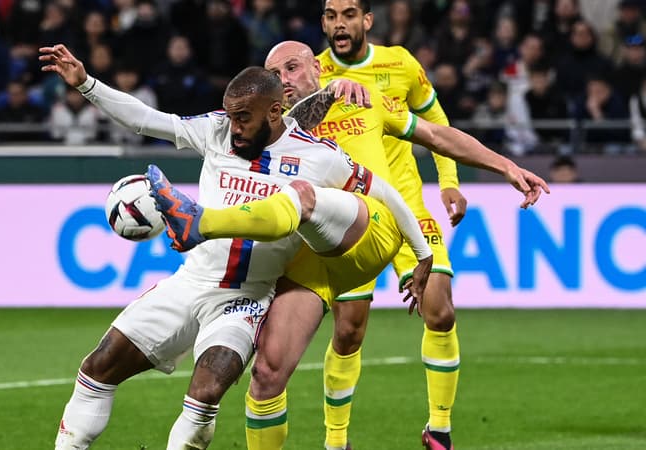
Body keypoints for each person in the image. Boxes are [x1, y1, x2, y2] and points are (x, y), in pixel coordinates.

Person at [39, 44, 434, 450]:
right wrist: (87, 84)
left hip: (244, 301)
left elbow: (386, 193)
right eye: (231, 116)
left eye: (244, 117)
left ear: (275, 112)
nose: (235, 127)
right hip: (189, 283)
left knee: (204, 396)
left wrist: (422, 255)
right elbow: (147, 120)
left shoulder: (320, 158)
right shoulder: (216, 130)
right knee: (97, 369)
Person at [293, 1, 471, 448]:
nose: (340, 23)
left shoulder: (401, 64)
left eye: (349, 14)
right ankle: (337, 441)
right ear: (323, 23)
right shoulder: (312, 78)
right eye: (331, 15)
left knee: (441, 310)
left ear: (367, 20)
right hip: (350, 218)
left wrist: (448, 181)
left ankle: (440, 431)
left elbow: (435, 122)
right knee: (349, 330)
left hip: (408, 208)